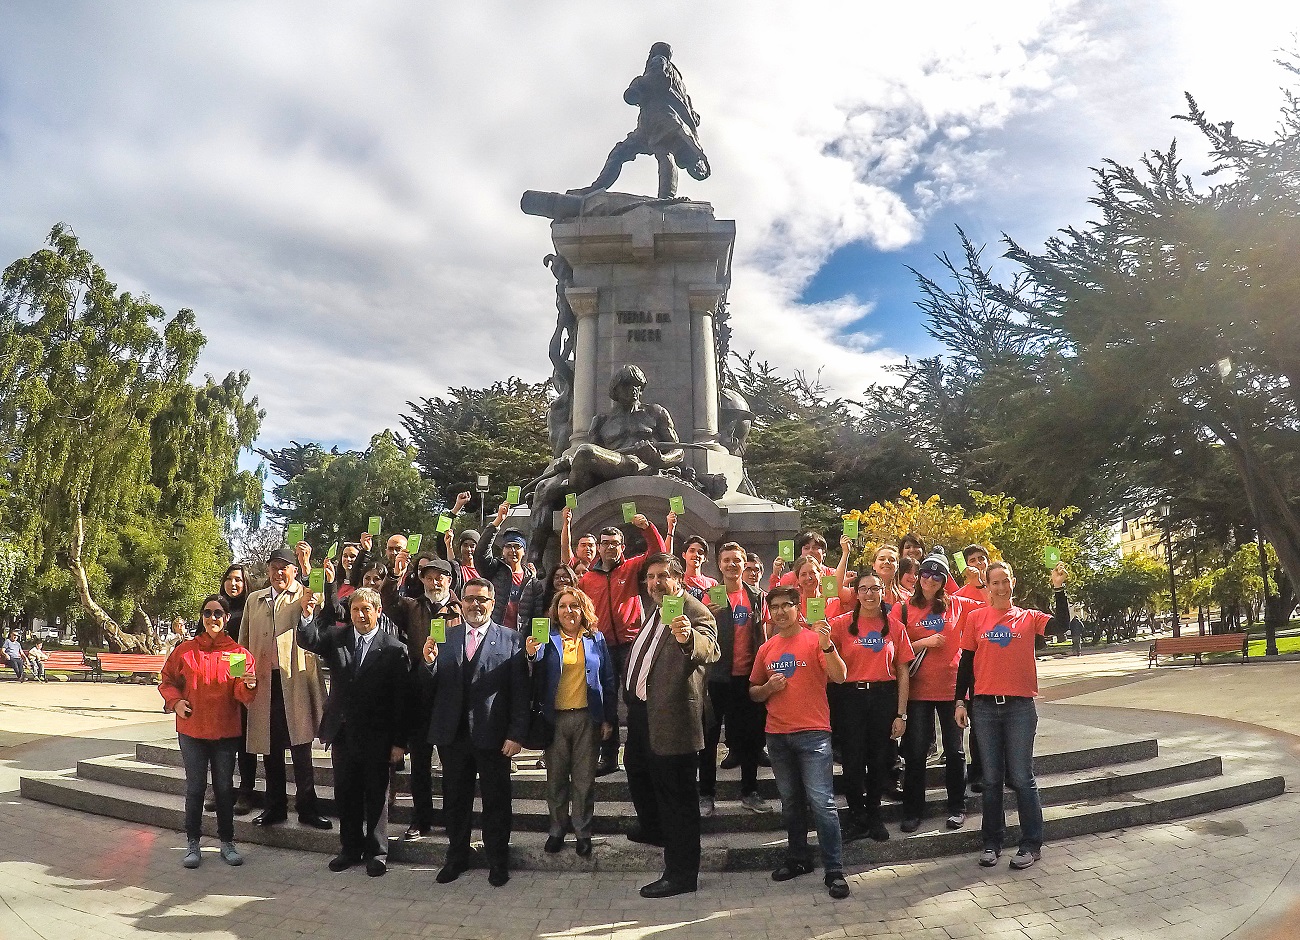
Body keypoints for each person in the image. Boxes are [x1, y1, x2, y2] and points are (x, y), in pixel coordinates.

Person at [956, 562, 1070, 870]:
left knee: (1021, 777)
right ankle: (992, 842)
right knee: (991, 779)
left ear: (1013, 582)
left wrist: (1058, 588)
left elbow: (1062, 625)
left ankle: (1031, 843)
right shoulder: (975, 618)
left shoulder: (1029, 617)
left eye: (1005, 580)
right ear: (988, 586)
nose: (1001, 586)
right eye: (995, 582)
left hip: (1019, 707)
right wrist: (959, 702)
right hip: (985, 707)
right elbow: (966, 663)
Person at [419, 578, 529, 887]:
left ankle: (497, 861)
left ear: (493, 604)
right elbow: (429, 688)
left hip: (493, 736)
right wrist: (427, 664)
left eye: (482, 599)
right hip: (452, 736)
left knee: (496, 802)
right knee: (454, 801)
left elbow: (520, 692)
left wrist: (516, 733)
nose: (475, 605)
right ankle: (456, 858)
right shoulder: (444, 637)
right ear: (461, 603)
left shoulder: (511, 639)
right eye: (470, 599)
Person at [622, 553, 719, 898]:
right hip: (641, 714)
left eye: (663, 576)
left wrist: (686, 638)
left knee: (677, 797)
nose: (655, 583)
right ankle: (653, 827)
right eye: (649, 577)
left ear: (679, 579)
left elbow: (708, 647)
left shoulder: (693, 611)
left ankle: (681, 873)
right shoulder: (654, 611)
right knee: (636, 771)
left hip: (673, 718)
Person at [299, 587, 411, 877]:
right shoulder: (338, 638)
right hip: (343, 734)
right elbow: (309, 640)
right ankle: (349, 849)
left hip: (378, 737)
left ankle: (377, 852)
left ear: (378, 611)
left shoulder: (394, 648)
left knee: (376, 796)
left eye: (366, 609)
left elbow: (402, 701)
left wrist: (400, 743)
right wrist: (307, 614)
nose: (361, 615)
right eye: (355, 610)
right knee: (345, 795)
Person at [749, 585, 851, 900]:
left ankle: (834, 870)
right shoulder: (767, 648)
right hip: (777, 736)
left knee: (822, 803)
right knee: (791, 803)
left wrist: (828, 645)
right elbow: (753, 691)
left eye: (786, 605)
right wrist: (767, 688)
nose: (780, 612)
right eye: (774, 606)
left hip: (813, 735)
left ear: (797, 607)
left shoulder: (814, 639)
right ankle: (798, 858)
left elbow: (840, 676)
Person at [159, 595, 258, 868]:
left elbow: (240, 692)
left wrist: (248, 686)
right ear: (202, 618)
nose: (212, 618)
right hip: (192, 732)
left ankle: (227, 842)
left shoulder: (237, 654)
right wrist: (175, 702)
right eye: (207, 613)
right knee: (196, 788)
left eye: (218, 614)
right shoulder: (186, 651)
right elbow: (168, 680)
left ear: (227, 618)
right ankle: (193, 842)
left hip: (225, 733)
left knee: (225, 789)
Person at [238, 548, 331, 830]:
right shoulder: (255, 600)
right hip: (264, 683)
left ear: (293, 572)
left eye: (285, 568)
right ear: (268, 571)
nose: (279, 573)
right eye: (274, 567)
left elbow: (321, 597)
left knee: (302, 747)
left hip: (296, 681)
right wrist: (239, 675)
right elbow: (241, 641)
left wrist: (308, 565)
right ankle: (274, 807)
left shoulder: (304, 595)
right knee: (271, 748)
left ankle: (307, 808)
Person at [891, 548, 982, 833]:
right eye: (925, 573)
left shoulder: (956, 604)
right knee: (916, 752)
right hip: (917, 691)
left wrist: (977, 580)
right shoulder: (903, 607)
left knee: (955, 751)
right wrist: (924, 642)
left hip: (952, 689)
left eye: (937, 575)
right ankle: (913, 811)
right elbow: (893, 646)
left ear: (944, 579)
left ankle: (957, 807)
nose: (930, 579)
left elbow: (989, 602)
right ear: (918, 577)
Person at [527, 587, 617, 857]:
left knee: (584, 780)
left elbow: (608, 680)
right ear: (556, 611)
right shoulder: (547, 638)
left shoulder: (595, 639)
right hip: (555, 719)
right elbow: (535, 671)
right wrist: (531, 653)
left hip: (587, 718)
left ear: (583, 610)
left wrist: (608, 718)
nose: (569, 611)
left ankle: (582, 832)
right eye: (564, 606)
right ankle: (557, 830)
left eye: (574, 606)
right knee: (555, 780)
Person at [380, 555, 463, 841]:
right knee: (421, 764)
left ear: (449, 580)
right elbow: (388, 603)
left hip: (451, 691)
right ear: (422, 580)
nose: (434, 580)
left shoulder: (460, 609)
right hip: (419, 692)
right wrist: (394, 574)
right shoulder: (412, 606)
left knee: (453, 763)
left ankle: (454, 817)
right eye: (429, 576)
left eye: (440, 576)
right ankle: (421, 818)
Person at [579, 512, 667, 774]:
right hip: (600, 645)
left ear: (622, 546)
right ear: (599, 546)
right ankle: (609, 756)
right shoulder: (587, 579)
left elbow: (658, 553)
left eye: (614, 543)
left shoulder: (630, 568)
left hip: (630, 643)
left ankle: (642, 750)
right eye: (605, 543)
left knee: (635, 697)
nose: (609, 547)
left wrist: (647, 527)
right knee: (606, 700)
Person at [829, 574, 912, 841]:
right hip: (850, 698)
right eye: (863, 589)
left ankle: (875, 814)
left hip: (883, 697)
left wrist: (901, 713)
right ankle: (856, 816)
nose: (868, 594)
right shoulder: (841, 625)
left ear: (882, 591)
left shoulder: (895, 627)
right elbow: (822, 652)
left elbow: (903, 671)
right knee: (852, 761)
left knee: (879, 760)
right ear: (856, 593)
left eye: (874, 589)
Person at [698, 541, 769, 816]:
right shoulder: (710, 595)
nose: (732, 565)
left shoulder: (755, 596)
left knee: (750, 739)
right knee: (709, 739)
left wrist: (762, 672)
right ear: (719, 564)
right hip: (716, 678)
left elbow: (761, 636)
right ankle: (706, 794)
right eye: (726, 560)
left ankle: (750, 792)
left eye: (736, 560)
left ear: (744, 564)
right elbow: (700, 633)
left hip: (747, 678)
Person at [475, 503, 538, 628]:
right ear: (503, 550)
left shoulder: (531, 580)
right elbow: (481, 554)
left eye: (517, 546)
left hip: (521, 638)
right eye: (508, 546)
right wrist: (498, 521)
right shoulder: (495, 569)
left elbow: (537, 613)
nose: (512, 550)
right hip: (496, 634)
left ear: (524, 551)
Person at [516, 563, 578, 633]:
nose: (561, 579)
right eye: (557, 577)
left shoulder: (580, 600)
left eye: (565, 576)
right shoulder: (545, 601)